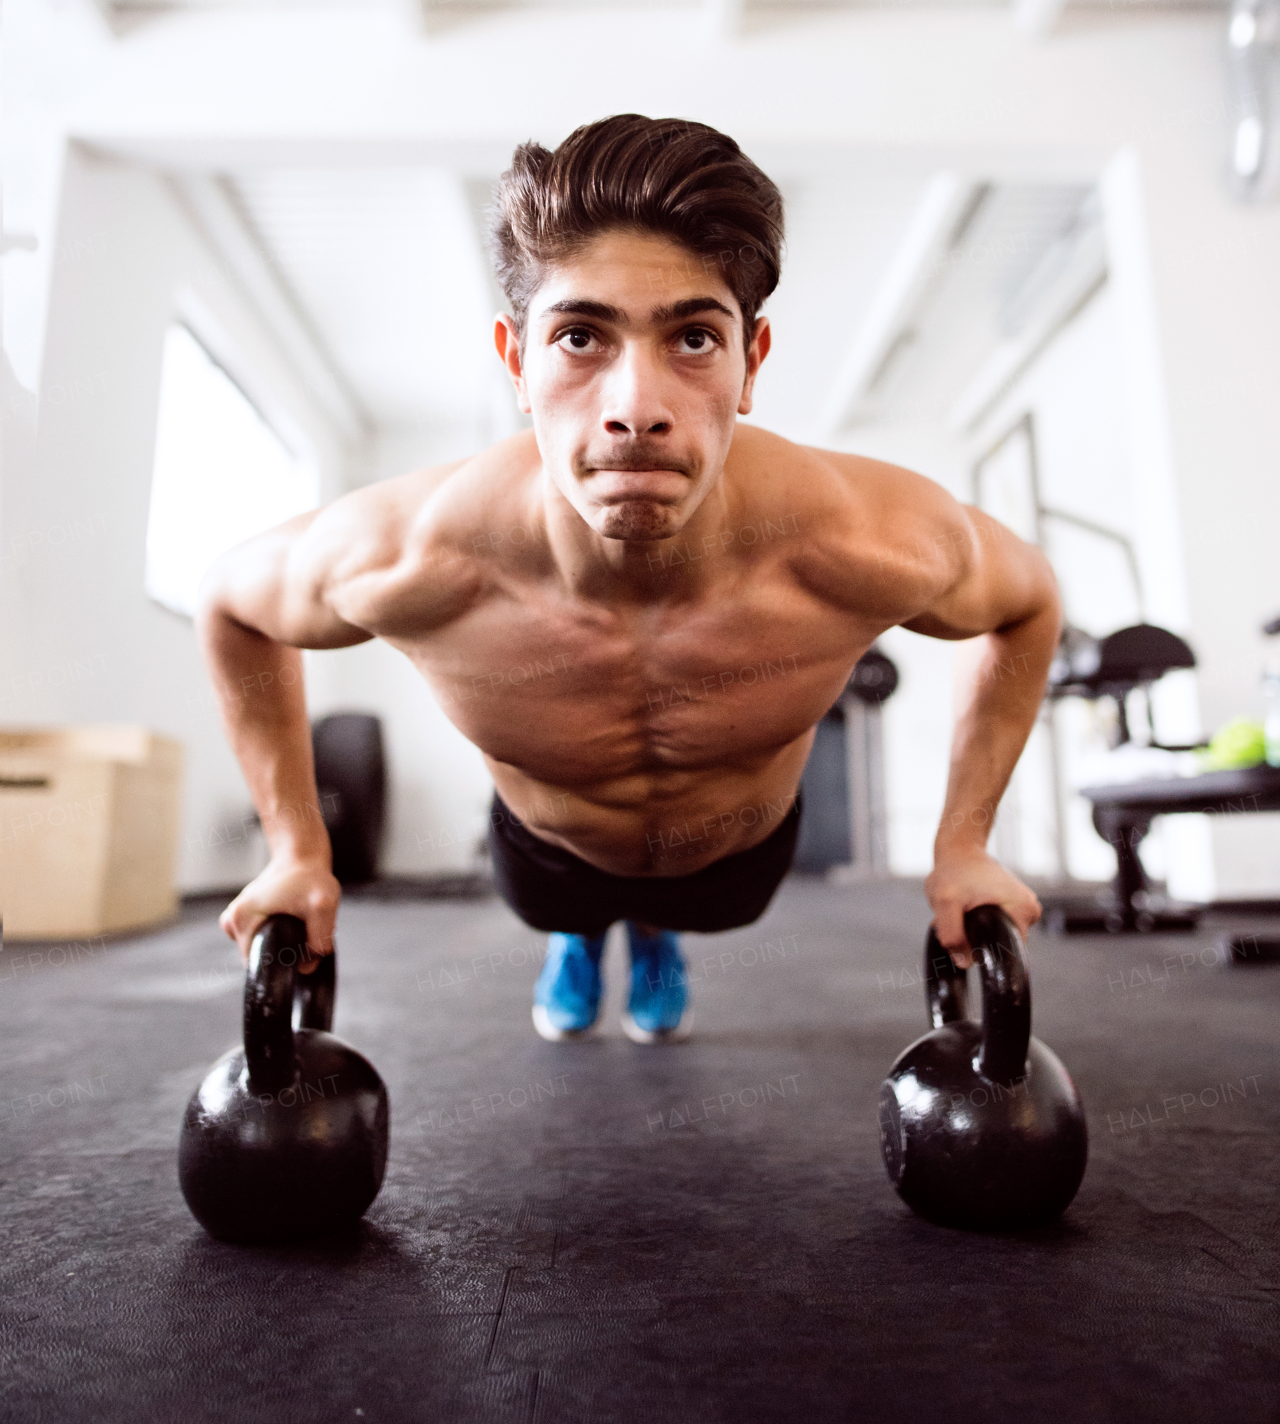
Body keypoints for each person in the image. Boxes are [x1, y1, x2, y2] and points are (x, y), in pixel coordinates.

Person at [201, 115, 1057, 1043]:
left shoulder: (863, 540)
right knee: (559, 906)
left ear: (749, 363)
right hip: (548, 853)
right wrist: (294, 848)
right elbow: (232, 607)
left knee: (699, 908)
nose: (636, 409)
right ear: (516, 363)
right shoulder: (411, 554)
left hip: (736, 863)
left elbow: (1028, 600)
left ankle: (656, 933)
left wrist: (964, 845)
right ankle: (578, 938)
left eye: (693, 338)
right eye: (579, 338)